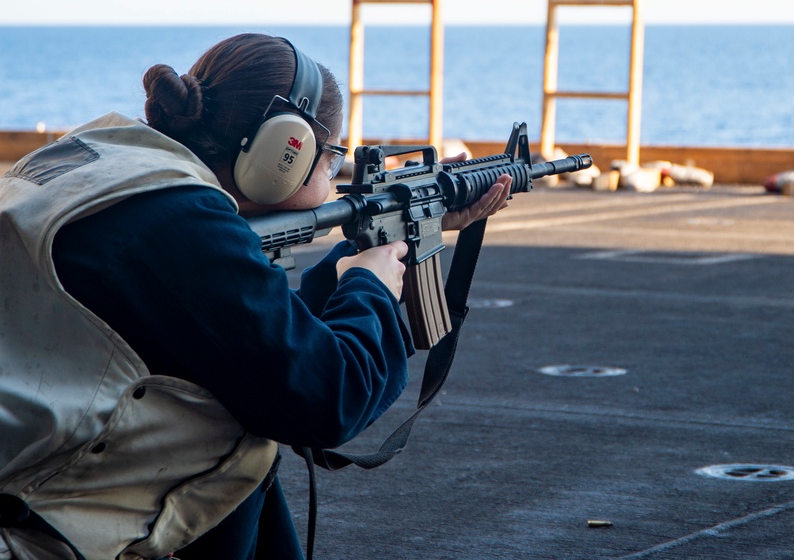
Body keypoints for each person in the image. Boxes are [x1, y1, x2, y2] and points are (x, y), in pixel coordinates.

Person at [0, 33, 512, 559]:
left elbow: (257, 340)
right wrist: (371, 285)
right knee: (238, 446)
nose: (336, 179)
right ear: (283, 152)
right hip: (42, 530)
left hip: (33, 477)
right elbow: (327, 399)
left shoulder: (107, 168)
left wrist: (389, 240)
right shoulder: (184, 225)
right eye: (331, 159)